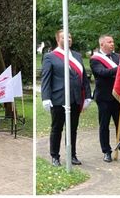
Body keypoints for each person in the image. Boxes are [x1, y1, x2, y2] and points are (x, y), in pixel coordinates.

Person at [41, 30, 92, 166]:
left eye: (69, 37)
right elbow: (46, 79)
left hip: (75, 98)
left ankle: (72, 155)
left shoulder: (77, 56)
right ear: (58, 40)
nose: (68, 39)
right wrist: (45, 98)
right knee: (57, 128)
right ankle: (55, 156)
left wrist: (87, 96)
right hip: (58, 98)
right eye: (64, 37)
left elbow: (84, 78)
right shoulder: (50, 56)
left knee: (72, 129)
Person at [90, 35, 120, 163]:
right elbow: (102, 73)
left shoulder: (118, 57)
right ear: (102, 44)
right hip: (104, 97)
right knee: (104, 125)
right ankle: (106, 151)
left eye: (113, 41)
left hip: (119, 97)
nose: (112, 44)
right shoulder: (95, 59)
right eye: (109, 42)